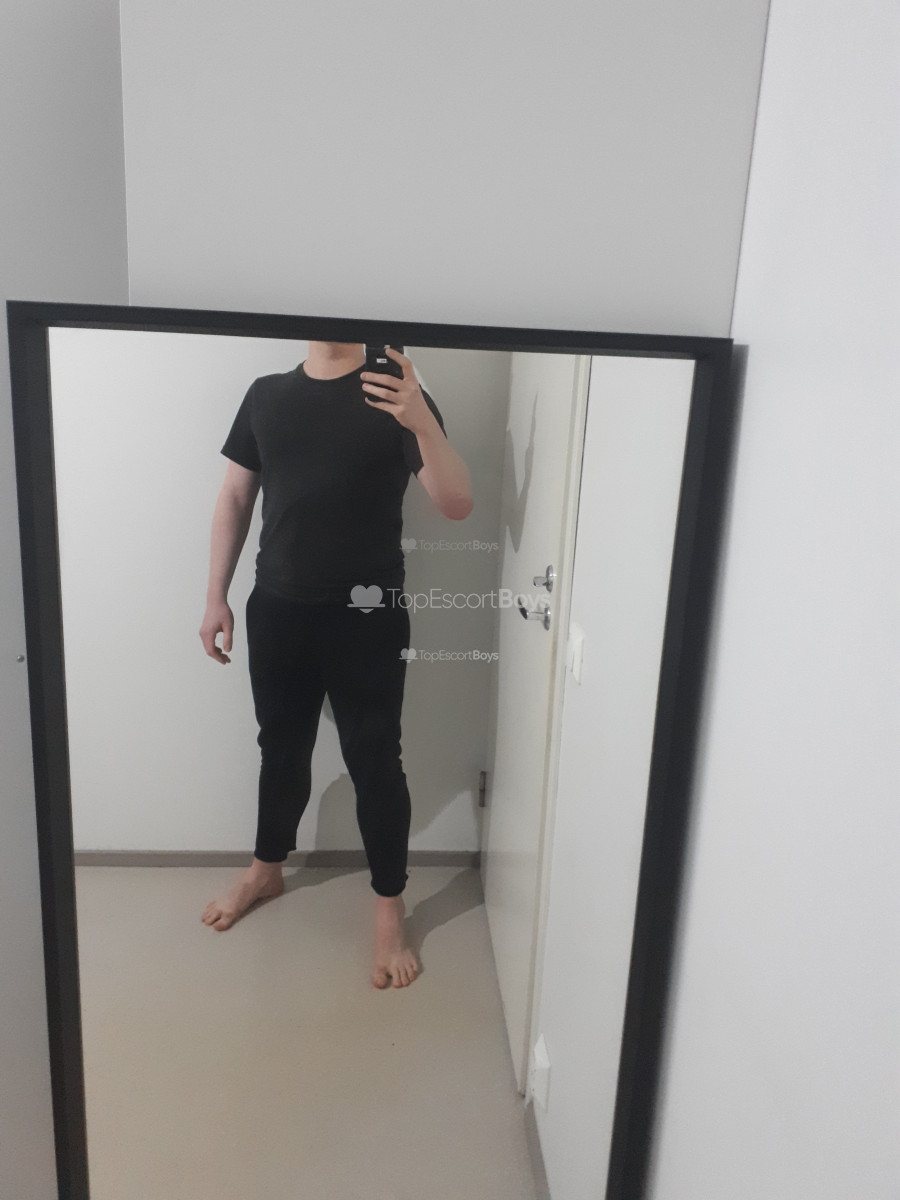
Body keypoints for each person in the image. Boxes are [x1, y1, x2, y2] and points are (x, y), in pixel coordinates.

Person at [198, 342, 473, 989]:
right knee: (280, 749)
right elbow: (235, 496)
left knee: (374, 759)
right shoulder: (266, 395)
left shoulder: (395, 391)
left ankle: (388, 908)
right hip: (278, 608)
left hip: (366, 614)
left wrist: (421, 420)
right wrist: (215, 597)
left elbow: (456, 502)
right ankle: (266, 869)